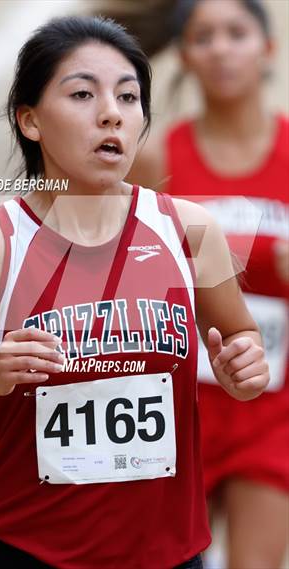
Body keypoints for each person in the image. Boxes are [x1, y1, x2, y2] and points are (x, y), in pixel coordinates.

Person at [0, 15, 270, 569]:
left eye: (128, 96)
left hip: (168, 556)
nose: (111, 112)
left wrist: (243, 369)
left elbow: (241, 342)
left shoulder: (189, 230)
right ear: (30, 120)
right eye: (82, 94)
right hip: (26, 553)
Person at [124, 1, 289, 568]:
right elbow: (120, 275)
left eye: (236, 33)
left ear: (267, 49)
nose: (220, 48)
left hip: (274, 409)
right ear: (185, 57)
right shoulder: (155, 158)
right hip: (176, 407)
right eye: (203, 37)